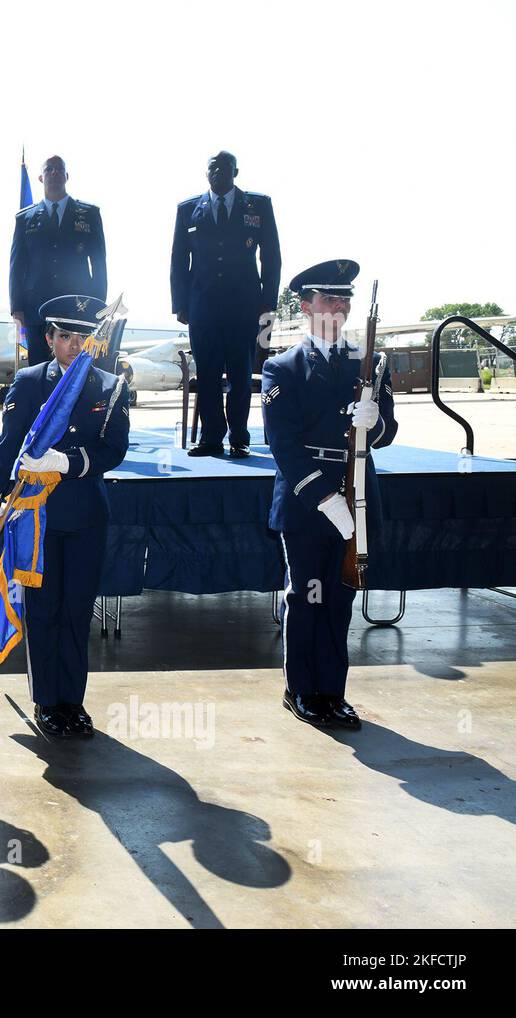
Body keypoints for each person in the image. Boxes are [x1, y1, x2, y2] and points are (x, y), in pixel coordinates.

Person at [0, 295, 130, 738]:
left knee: (77, 610)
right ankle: (47, 701)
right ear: (49, 339)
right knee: (44, 610)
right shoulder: (29, 382)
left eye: (83, 336)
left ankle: (73, 701)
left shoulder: (110, 385)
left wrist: (68, 463)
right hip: (36, 516)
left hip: (85, 514)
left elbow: (114, 449)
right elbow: (8, 444)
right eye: (65, 336)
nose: (73, 344)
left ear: (95, 343)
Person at [262, 259, 397, 730]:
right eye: (328, 299)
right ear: (306, 305)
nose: (338, 308)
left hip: (357, 490)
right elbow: (283, 444)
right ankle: (300, 688)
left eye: (344, 300)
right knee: (307, 595)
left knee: (339, 598)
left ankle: (332, 692)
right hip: (307, 499)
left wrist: (372, 423)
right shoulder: (282, 366)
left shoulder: (370, 362)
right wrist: (324, 499)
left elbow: (388, 430)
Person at [170, 150, 281, 458]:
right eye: (212, 168)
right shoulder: (189, 209)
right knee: (206, 375)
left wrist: (268, 303)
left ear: (236, 171)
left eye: (225, 166)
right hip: (202, 306)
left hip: (244, 306)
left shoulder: (257, 205)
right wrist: (180, 303)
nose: (218, 171)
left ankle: (240, 436)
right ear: (206, 174)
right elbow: (179, 260)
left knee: (240, 375)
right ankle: (211, 437)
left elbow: (271, 257)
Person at [10, 155, 108, 367]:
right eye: (49, 169)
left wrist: (98, 305)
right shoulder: (24, 219)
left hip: (76, 308)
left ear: (66, 176)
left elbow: (99, 264)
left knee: (75, 369)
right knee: (39, 368)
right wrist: (17, 307)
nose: (54, 173)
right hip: (36, 309)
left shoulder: (89, 214)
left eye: (59, 169)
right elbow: (17, 266)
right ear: (40, 177)